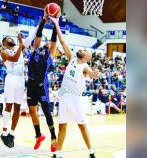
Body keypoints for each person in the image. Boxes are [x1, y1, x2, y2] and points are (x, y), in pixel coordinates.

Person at [49, 15, 101, 158]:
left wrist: (96, 74)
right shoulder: (72, 57)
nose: (82, 50)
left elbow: (93, 74)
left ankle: (91, 153)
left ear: (86, 57)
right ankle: (58, 154)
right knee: (62, 126)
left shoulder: (85, 66)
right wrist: (56, 23)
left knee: (81, 125)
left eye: (85, 50)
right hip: (64, 97)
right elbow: (62, 40)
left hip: (75, 99)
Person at [26, 10, 58, 152]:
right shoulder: (35, 49)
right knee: (32, 112)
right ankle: (38, 135)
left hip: (41, 87)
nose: (42, 42)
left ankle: (53, 138)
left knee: (47, 114)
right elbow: (38, 36)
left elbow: (53, 41)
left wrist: (56, 23)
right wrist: (43, 21)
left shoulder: (50, 55)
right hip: (31, 86)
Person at [0, 31, 35, 148]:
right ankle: (4, 133)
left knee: (18, 107)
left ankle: (11, 133)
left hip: (20, 79)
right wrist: (21, 44)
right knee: (8, 106)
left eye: (11, 37)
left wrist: (41, 23)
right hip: (11, 78)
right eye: (8, 37)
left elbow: (30, 38)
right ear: (4, 42)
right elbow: (14, 58)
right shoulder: (4, 52)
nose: (10, 38)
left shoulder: (18, 46)